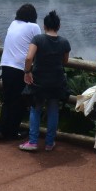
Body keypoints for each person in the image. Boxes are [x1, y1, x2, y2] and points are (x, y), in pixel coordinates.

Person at [19, 10, 71, 152]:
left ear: (44, 26)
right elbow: (65, 61)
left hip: (39, 81)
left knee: (35, 109)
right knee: (53, 111)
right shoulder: (64, 42)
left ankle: (33, 141)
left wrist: (27, 71)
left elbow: (29, 58)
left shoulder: (38, 39)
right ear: (58, 26)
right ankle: (49, 143)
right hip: (57, 81)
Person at [0, 3, 40, 141]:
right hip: (20, 68)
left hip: (6, 65)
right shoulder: (34, 27)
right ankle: (12, 132)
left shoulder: (13, 23)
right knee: (19, 101)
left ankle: (1, 130)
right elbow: (39, 46)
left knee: (8, 99)